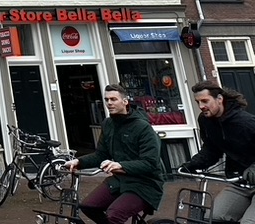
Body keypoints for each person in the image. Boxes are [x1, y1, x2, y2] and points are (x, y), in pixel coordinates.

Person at [64, 83, 164, 224]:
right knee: (88, 206)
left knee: (114, 215)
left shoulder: (142, 127)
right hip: (119, 181)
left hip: (145, 184)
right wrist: (78, 162)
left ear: (125, 101)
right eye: (106, 99)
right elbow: (101, 155)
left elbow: (150, 163)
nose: (109, 103)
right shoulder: (108, 124)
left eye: (113, 99)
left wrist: (120, 165)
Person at [179, 80, 255, 224]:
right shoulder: (206, 121)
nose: (201, 106)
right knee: (212, 217)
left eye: (205, 101)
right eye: (197, 102)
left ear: (219, 99)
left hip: (250, 176)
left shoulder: (246, 123)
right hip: (239, 182)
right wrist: (193, 164)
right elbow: (211, 149)